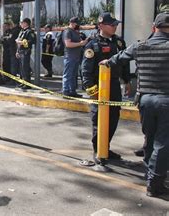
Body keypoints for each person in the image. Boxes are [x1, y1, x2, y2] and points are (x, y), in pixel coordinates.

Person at [100, 12, 169, 198]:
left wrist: (106, 62)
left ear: (154, 28)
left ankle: (150, 174)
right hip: (166, 101)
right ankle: (155, 182)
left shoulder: (140, 45)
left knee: (150, 139)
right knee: (163, 143)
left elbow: (119, 58)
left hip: (145, 101)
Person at [81, 12, 130, 165]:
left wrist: (127, 81)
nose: (115, 27)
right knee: (99, 119)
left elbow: (125, 63)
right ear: (101, 25)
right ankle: (98, 150)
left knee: (114, 117)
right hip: (99, 85)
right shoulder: (93, 44)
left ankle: (106, 147)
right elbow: (86, 69)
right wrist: (90, 89)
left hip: (114, 84)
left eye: (116, 24)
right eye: (112, 24)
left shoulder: (119, 42)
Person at [62, 17, 89, 97]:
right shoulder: (67, 31)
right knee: (68, 74)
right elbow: (68, 44)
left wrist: (85, 41)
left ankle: (72, 91)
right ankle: (66, 90)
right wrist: (80, 44)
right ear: (73, 23)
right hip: (70, 56)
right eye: (77, 23)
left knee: (74, 75)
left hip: (76, 56)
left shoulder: (75, 32)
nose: (78, 25)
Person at [15, 18, 35, 88]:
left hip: (26, 51)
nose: (21, 24)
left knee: (25, 67)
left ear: (26, 23)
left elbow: (31, 41)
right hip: (20, 51)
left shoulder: (30, 31)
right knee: (21, 68)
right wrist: (17, 51)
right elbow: (18, 41)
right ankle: (23, 82)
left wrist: (22, 42)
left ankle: (27, 83)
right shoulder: (21, 31)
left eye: (22, 22)